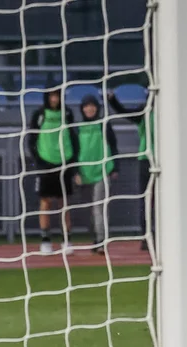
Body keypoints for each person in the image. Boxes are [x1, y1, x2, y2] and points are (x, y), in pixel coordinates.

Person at [26, 88, 79, 254]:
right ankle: (45, 240)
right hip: (45, 164)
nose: (54, 99)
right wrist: (38, 160)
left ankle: (66, 240)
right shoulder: (39, 115)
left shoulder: (68, 113)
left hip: (64, 162)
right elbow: (32, 139)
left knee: (64, 203)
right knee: (46, 202)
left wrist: (72, 160)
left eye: (57, 96)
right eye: (52, 96)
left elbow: (73, 135)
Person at [106, 89, 153, 251]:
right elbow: (124, 112)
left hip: (168, 161)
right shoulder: (145, 112)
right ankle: (147, 236)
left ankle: (164, 234)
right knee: (147, 200)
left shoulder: (171, 114)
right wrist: (112, 100)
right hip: (147, 160)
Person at [73, 94, 119, 254]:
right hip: (84, 173)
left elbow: (113, 145)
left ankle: (101, 240)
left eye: (92, 105)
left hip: (102, 171)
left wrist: (115, 167)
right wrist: (75, 172)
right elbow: (74, 151)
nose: (89, 109)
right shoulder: (77, 127)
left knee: (98, 207)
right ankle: (96, 237)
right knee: (89, 209)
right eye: (86, 106)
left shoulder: (104, 124)